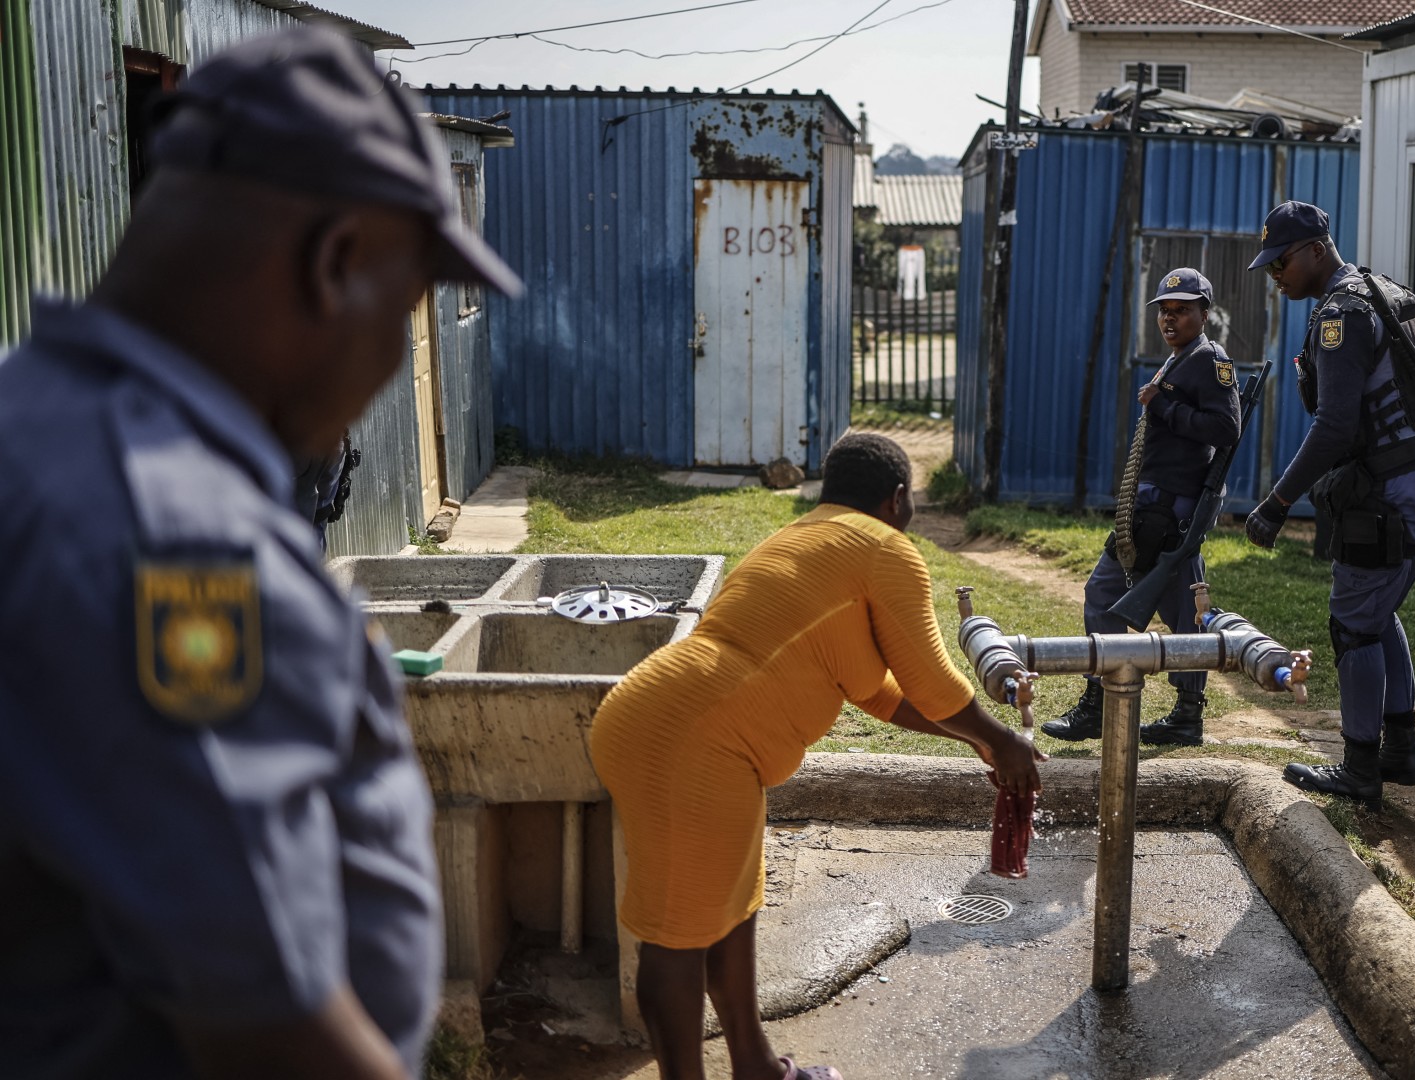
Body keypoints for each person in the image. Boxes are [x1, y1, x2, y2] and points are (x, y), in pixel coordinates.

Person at [0, 29, 521, 1079]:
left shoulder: (34, 423)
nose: (389, 362)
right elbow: (260, 1018)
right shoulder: (176, 538)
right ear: (334, 264)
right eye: (405, 308)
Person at [590, 433, 1046, 1080]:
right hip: (693, 739)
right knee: (677, 935)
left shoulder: (805, 538)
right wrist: (1001, 739)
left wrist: (980, 739)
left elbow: (879, 692)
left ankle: (757, 1068)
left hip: (673, 721)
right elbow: (934, 683)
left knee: (730, 907)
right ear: (895, 500)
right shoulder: (887, 548)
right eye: (911, 501)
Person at [1242, 201, 1415, 810]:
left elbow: (1336, 427)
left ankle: (1360, 768)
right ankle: (1400, 749)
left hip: (1399, 489)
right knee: (1377, 610)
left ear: (1317, 249)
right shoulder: (1385, 290)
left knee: (1352, 625)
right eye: (1269, 268)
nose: (1276, 276)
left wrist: (1276, 502)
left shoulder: (1340, 315)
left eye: (1281, 262)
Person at [1042, 267, 1243, 747]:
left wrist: (1164, 406)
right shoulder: (1181, 358)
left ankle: (1122, 706)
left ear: (1205, 313)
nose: (1170, 319)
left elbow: (1226, 428)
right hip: (1155, 510)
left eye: (1183, 310)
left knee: (1116, 599)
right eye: (1165, 312)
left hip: (1169, 515)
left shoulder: (1208, 358)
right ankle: (1156, 709)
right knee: (1172, 614)